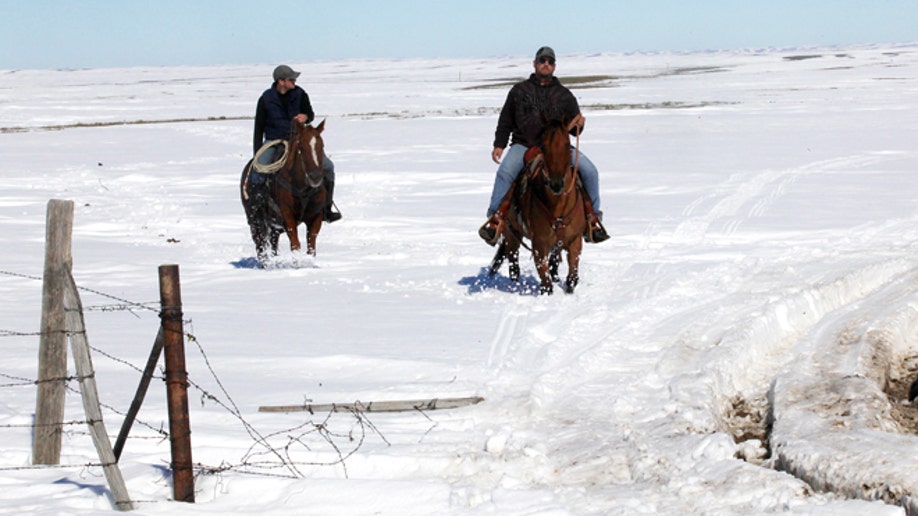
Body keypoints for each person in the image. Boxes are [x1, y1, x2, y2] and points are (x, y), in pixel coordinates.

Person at [479, 46, 607, 245]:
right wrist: (499, 144)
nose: (546, 64)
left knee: (590, 171)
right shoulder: (519, 91)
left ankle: (593, 220)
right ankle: (495, 220)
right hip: (525, 144)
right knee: (505, 172)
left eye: (550, 61)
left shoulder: (564, 95)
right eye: (542, 60)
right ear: (535, 64)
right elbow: (506, 119)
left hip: (557, 149)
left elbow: (574, 128)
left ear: (554, 66)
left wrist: (579, 125)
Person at [252, 64, 341, 222]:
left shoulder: (300, 94)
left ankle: (326, 208)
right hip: (275, 140)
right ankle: (258, 209)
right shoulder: (265, 98)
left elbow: (311, 114)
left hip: (299, 140)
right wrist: (256, 153)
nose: (295, 81)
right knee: (258, 170)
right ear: (281, 81)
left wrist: (306, 117)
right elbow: (258, 127)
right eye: (291, 79)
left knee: (328, 166)